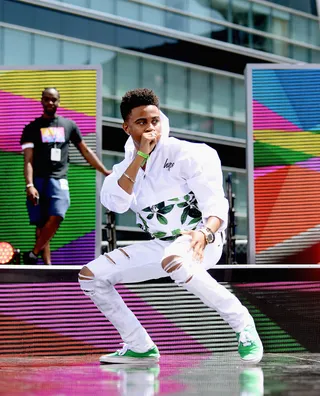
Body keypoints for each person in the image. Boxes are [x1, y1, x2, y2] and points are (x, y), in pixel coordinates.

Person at [78, 88, 263, 364]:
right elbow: (116, 203)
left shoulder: (188, 153)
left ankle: (243, 323)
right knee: (91, 276)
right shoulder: (123, 169)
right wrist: (140, 157)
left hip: (201, 238)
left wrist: (205, 233)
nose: (151, 128)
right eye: (141, 123)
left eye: (154, 120)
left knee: (174, 258)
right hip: (162, 245)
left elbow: (216, 205)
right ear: (126, 127)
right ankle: (138, 345)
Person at [20, 87, 111, 265]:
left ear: (59, 101)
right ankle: (46, 265)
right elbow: (28, 160)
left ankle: (34, 252)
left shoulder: (69, 125)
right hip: (38, 180)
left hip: (59, 179)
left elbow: (85, 150)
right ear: (41, 101)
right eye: (46, 99)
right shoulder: (31, 128)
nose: (50, 103)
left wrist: (104, 170)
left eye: (53, 99)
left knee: (58, 214)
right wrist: (29, 185)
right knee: (41, 224)